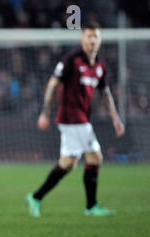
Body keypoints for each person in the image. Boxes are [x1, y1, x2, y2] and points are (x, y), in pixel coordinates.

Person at [26, 21, 125, 217]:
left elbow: (105, 93)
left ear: (100, 39)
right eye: (89, 36)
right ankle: (91, 206)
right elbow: (53, 85)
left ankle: (36, 197)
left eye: (95, 36)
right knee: (95, 157)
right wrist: (45, 113)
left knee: (68, 163)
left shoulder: (100, 66)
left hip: (81, 119)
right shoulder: (72, 60)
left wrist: (115, 117)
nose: (92, 40)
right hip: (72, 118)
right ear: (82, 39)